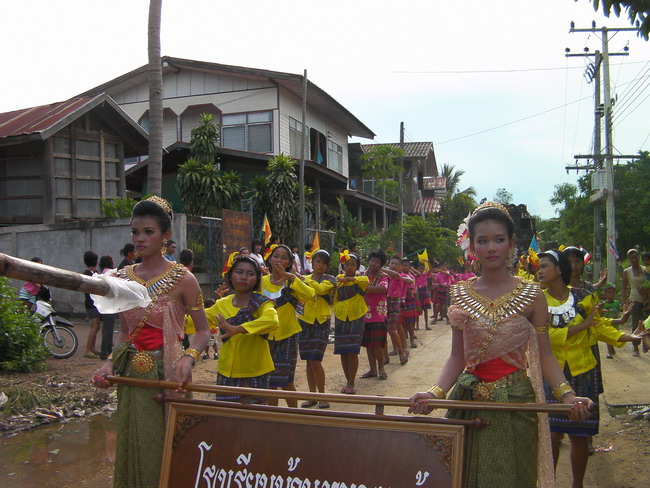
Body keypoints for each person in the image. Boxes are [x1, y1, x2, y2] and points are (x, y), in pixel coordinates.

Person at [409, 202, 594, 488]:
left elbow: (545, 356)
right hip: (468, 401)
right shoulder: (459, 294)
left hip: (517, 403)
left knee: (512, 478)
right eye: (482, 241)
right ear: (472, 246)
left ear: (511, 244)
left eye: (499, 239)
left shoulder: (533, 295)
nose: (491, 247)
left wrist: (567, 396)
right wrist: (434, 393)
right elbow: (457, 358)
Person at [90, 195, 210, 488]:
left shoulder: (184, 279)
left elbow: (203, 331)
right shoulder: (121, 278)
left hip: (169, 376)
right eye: (135, 232)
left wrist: (188, 357)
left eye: (148, 232)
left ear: (166, 235)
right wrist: (109, 365)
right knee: (135, 445)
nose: (140, 238)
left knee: (168, 448)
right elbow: (124, 334)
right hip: (132, 376)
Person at [537, 248, 645, 488]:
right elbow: (543, 337)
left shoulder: (584, 298)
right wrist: (580, 326)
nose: (540, 271)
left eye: (544, 266)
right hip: (551, 375)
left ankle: (577, 484)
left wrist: (628, 337)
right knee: (552, 435)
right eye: (538, 267)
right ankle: (550, 482)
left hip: (582, 371)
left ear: (558, 269)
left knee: (579, 434)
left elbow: (598, 328)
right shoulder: (537, 300)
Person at [205, 256, 279, 404]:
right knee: (228, 421)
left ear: (257, 279)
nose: (244, 277)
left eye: (250, 274)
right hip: (227, 372)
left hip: (256, 372)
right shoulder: (221, 304)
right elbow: (197, 321)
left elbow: (272, 320)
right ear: (231, 276)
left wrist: (237, 329)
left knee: (254, 422)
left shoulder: (262, 302)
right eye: (239, 272)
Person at [261, 244, 314, 407]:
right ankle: (273, 417)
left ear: (289, 262)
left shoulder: (292, 282)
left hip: (288, 335)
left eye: (284, 258)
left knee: (285, 381)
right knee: (269, 381)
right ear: (270, 259)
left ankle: (293, 416)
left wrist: (290, 277)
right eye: (276, 256)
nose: (279, 260)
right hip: (265, 336)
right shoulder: (261, 282)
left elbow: (310, 294)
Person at [298, 249, 335, 408]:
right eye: (317, 261)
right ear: (312, 262)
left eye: (323, 263)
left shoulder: (330, 280)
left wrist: (299, 278)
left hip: (320, 321)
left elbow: (318, 290)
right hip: (305, 320)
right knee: (308, 359)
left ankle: (322, 395)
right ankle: (312, 395)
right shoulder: (304, 278)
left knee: (315, 359)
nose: (320, 265)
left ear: (327, 266)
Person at [333, 251, 369, 394]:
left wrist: (350, 280)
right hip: (341, 316)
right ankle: (347, 380)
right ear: (343, 265)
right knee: (343, 350)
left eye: (353, 265)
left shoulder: (362, 279)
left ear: (357, 267)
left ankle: (351, 382)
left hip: (356, 316)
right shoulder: (338, 279)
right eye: (347, 264)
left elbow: (365, 281)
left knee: (353, 350)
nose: (350, 267)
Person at [360, 250, 389, 380]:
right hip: (364, 313)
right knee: (368, 344)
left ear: (381, 264)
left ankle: (381, 368)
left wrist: (363, 287)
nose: (373, 264)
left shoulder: (382, 276)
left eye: (377, 262)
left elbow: (383, 288)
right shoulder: (362, 274)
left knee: (378, 344)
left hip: (378, 314)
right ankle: (372, 370)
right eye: (372, 260)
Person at [383, 256, 411, 366]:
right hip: (384, 303)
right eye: (391, 263)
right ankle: (387, 356)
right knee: (384, 331)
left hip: (395, 303)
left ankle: (401, 350)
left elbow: (410, 280)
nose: (393, 266)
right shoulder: (385, 276)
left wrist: (399, 276)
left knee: (394, 329)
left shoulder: (400, 276)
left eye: (396, 264)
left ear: (400, 267)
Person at [622, 248, 646, 356]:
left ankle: (646, 344)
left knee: (647, 323)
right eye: (631, 258)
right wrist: (624, 302)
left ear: (639, 258)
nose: (634, 260)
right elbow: (624, 288)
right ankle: (636, 348)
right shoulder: (627, 272)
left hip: (646, 300)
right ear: (629, 260)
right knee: (635, 323)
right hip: (634, 299)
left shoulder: (646, 269)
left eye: (636, 257)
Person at [83, 251, 102, 358]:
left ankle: (92, 348)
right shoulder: (88, 274)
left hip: (92, 304)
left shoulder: (90, 273)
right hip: (91, 304)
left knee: (96, 326)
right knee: (95, 326)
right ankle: (88, 350)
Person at [98, 255, 117, 360]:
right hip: (110, 304)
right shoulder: (110, 273)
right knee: (108, 329)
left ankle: (107, 350)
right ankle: (105, 351)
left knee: (107, 328)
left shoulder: (103, 272)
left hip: (105, 304)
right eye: (112, 261)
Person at [414, 261, 432, 330]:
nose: (421, 270)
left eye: (423, 269)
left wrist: (428, 262)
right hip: (418, 292)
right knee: (417, 310)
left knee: (426, 310)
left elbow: (430, 270)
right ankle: (417, 325)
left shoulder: (425, 275)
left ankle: (426, 325)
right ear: (417, 268)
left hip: (424, 292)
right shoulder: (415, 276)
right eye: (420, 269)